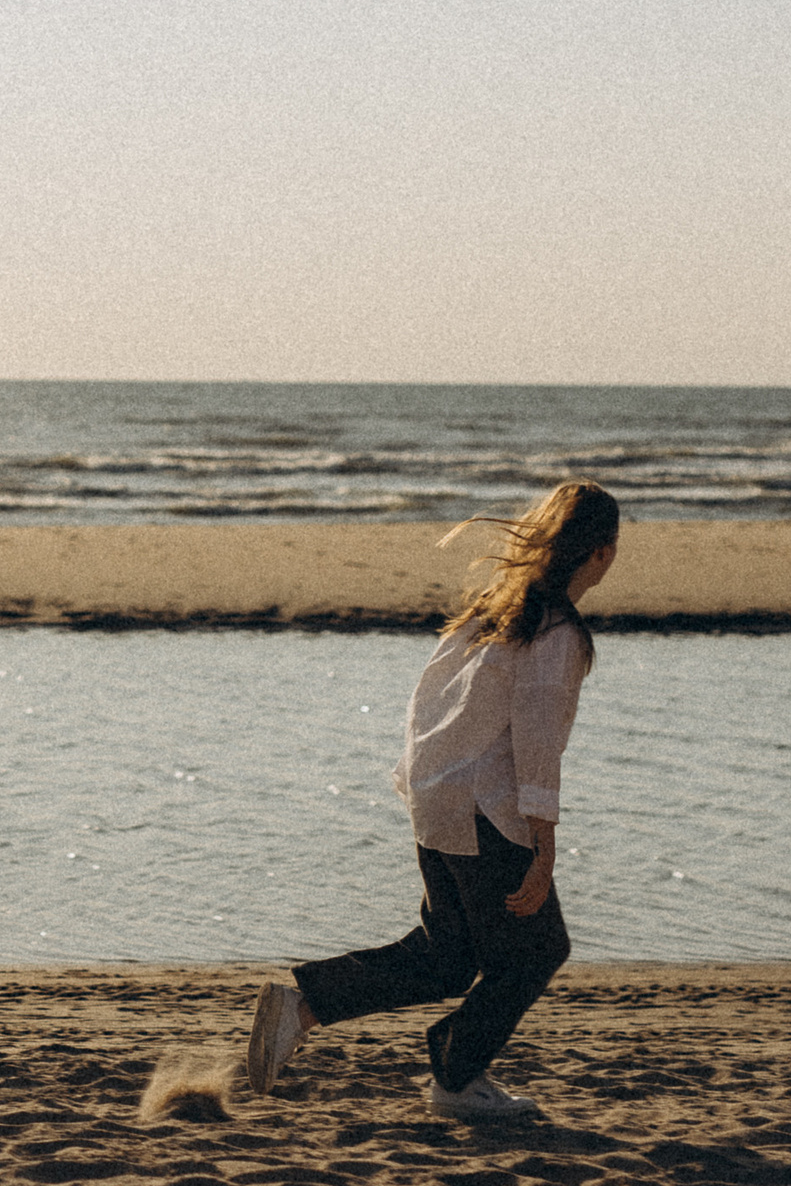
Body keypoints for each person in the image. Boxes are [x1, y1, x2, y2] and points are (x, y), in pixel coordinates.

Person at [246, 480, 620, 1122]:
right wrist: (544, 851)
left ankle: (301, 1009)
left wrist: (421, 780)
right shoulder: (557, 631)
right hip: (483, 813)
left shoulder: (494, 609)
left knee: (447, 958)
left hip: (437, 798)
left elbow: (426, 698)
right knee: (537, 952)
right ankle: (455, 1074)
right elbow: (537, 746)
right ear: (601, 553)